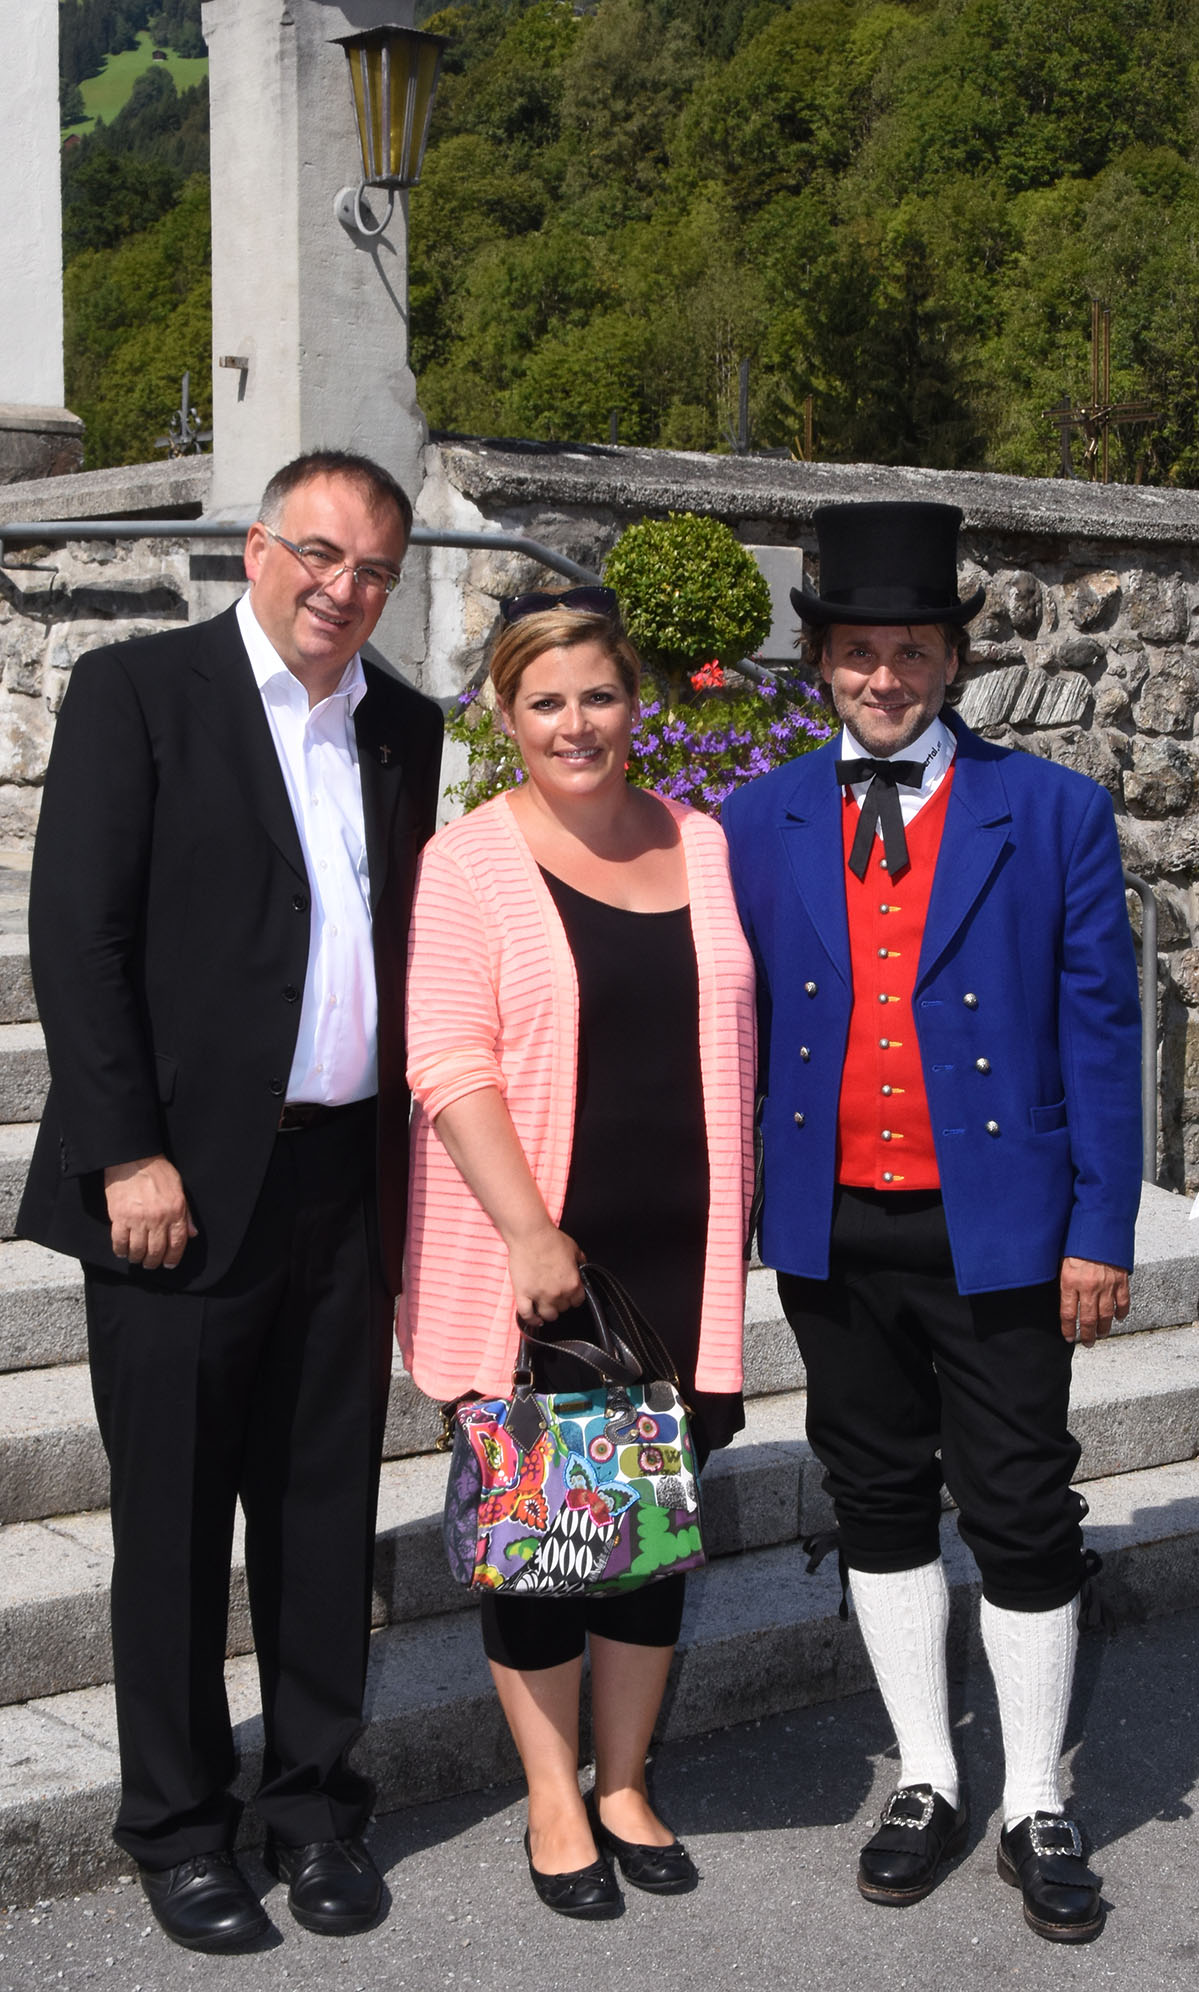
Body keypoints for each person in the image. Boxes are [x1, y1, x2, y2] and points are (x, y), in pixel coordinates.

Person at [18, 450, 443, 1953]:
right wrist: (125, 1151)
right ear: (256, 547)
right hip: (180, 1187)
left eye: (373, 569)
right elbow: (77, 936)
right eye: (320, 552)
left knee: (325, 1512)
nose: (343, 587)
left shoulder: (405, 725)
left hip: (344, 1177)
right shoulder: (140, 692)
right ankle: (180, 1826)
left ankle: (316, 1807)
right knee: (178, 1522)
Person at [722, 502, 1141, 1946]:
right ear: (821, 662)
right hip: (834, 1227)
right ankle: (926, 1775)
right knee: (879, 1497)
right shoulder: (757, 818)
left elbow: (1103, 1034)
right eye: (858, 651)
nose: (884, 676)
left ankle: (1036, 1798)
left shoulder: (1055, 811)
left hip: (1004, 1226)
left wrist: (1101, 1230)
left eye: (911, 651)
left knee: (1020, 1505)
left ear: (954, 660)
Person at [397, 588, 756, 1917]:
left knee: (648, 1531)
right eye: (544, 701)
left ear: (635, 703)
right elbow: (447, 1060)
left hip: (681, 1253)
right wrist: (528, 1231)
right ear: (505, 715)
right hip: (545, 1261)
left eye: (598, 695)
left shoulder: (702, 840)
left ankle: (626, 1783)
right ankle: (556, 1798)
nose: (575, 724)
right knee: (547, 1537)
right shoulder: (468, 861)